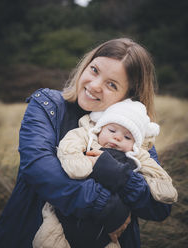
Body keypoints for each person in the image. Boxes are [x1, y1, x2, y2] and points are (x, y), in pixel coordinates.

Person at [0, 38, 172, 248]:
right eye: (94, 70)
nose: (94, 86)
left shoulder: (133, 134)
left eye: (111, 84)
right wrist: (107, 206)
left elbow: (159, 207)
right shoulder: (48, 106)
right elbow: (38, 168)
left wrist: (120, 176)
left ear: (128, 97)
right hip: (27, 236)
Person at [33, 99, 177, 248]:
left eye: (127, 137)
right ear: (100, 128)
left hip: (108, 236)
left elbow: (159, 183)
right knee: (50, 239)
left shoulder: (137, 156)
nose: (117, 137)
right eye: (112, 130)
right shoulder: (86, 138)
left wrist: (157, 186)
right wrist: (84, 163)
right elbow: (68, 150)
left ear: (136, 144)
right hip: (66, 219)